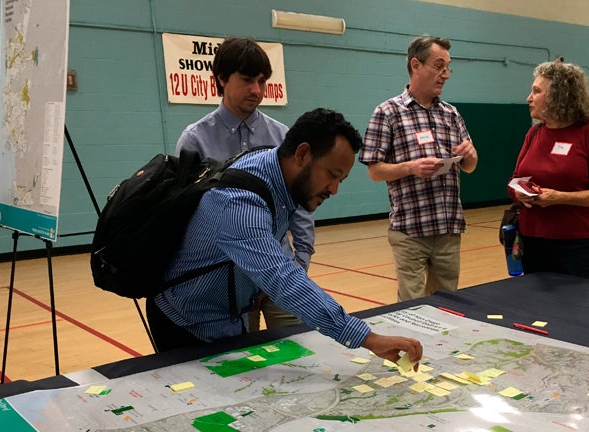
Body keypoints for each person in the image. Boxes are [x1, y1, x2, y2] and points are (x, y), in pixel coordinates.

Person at [147, 108, 424, 365]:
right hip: (186, 324)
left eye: (342, 180)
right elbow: (282, 279)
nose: (334, 189)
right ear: (302, 154)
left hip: (228, 318)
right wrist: (367, 338)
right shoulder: (238, 202)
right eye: (331, 175)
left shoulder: (276, 167)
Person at [175, 37, 315, 332]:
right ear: (222, 79)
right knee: (240, 365)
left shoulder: (281, 137)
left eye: (262, 81)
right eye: (247, 80)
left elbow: (299, 205)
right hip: (227, 279)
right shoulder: (195, 140)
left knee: (300, 348)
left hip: (280, 270)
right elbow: (185, 216)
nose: (256, 90)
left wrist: (301, 260)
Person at [358, 35, 478, 302]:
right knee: (411, 307)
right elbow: (374, 171)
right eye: (438, 66)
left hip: (448, 229)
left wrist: (470, 155)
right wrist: (411, 167)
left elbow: (470, 166)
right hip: (410, 231)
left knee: (448, 304)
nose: (445, 74)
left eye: (448, 67)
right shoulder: (387, 112)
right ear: (415, 65)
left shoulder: (451, 114)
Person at [507, 59, 589, 278]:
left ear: (558, 96)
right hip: (532, 240)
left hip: (577, 244)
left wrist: (559, 197)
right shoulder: (534, 134)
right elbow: (515, 179)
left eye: (536, 91)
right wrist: (520, 194)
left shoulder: (585, 134)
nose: (529, 98)